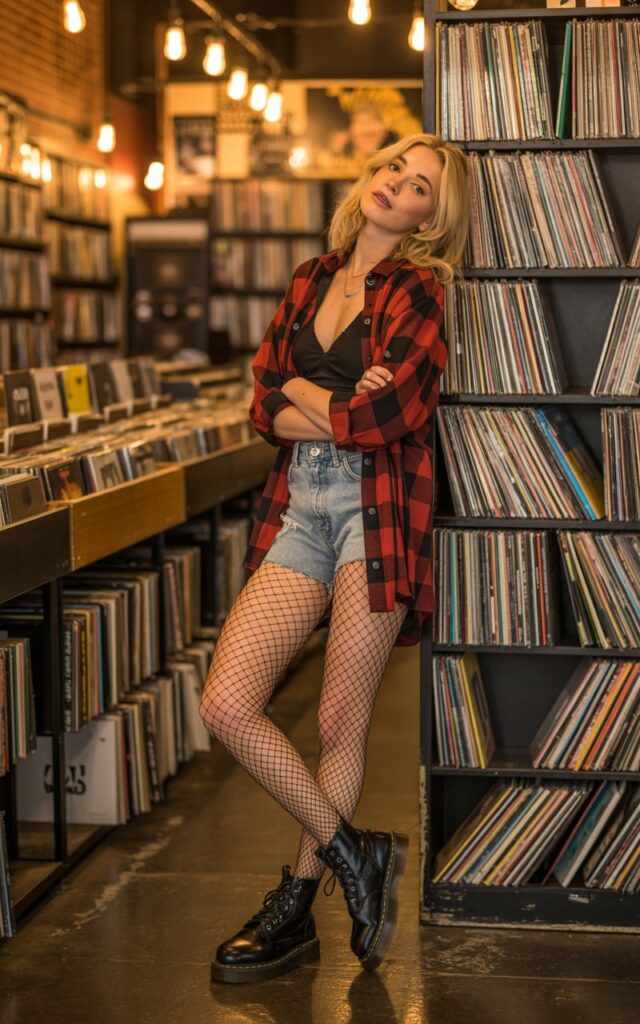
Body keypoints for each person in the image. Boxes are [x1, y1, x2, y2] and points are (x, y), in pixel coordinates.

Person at [200, 132, 470, 984]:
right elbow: (259, 404)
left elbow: (384, 424)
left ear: (435, 215)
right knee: (227, 704)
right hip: (302, 507)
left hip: (378, 512)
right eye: (396, 167)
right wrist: (330, 400)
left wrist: (304, 397)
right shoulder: (312, 278)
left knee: (339, 724)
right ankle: (357, 856)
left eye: (421, 185)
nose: (398, 184)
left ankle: (298, 901)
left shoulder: (420, 290)